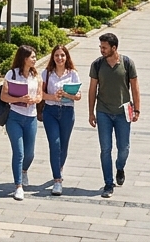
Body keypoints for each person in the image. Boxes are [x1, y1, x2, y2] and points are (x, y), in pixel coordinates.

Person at [87, 32, 139, 199]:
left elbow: (135, 87)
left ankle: (120, 167)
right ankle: (108, 183)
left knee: (124, 148)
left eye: (104, 47)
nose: (101, 50)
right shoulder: (97, 65)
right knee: (105, 149)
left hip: (123, 112)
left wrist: (137, 109)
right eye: (100, 47)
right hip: (103, 112)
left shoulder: (127, 63)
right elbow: (92, 89)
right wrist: (91, 112)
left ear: (114, 48)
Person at [0, 45, 42, 201]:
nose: (35, 59)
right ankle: (18, 186)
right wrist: (19, 99)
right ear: (24, 58)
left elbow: (40, 96)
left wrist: (34, 100)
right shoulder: (12, 74)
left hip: (31, 117)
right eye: (32, 57)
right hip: (14, 117)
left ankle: (24, 171)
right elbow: (4, 97)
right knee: (19, 152)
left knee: (30, 153)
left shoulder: (36, 75)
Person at [40, 45, 82, 195]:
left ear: (67, 57)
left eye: (62, 55)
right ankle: (57, 180)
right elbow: (41, 94)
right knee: (55, 144)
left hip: (67, 111)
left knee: (64, 145)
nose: (59, 58)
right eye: (57, 55)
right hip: (50, 111)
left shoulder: (72, 74)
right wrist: (53, 96)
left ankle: (59, 168)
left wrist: (67, 94)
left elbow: (78, 96)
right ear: (53, 57)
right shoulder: (46, 73)